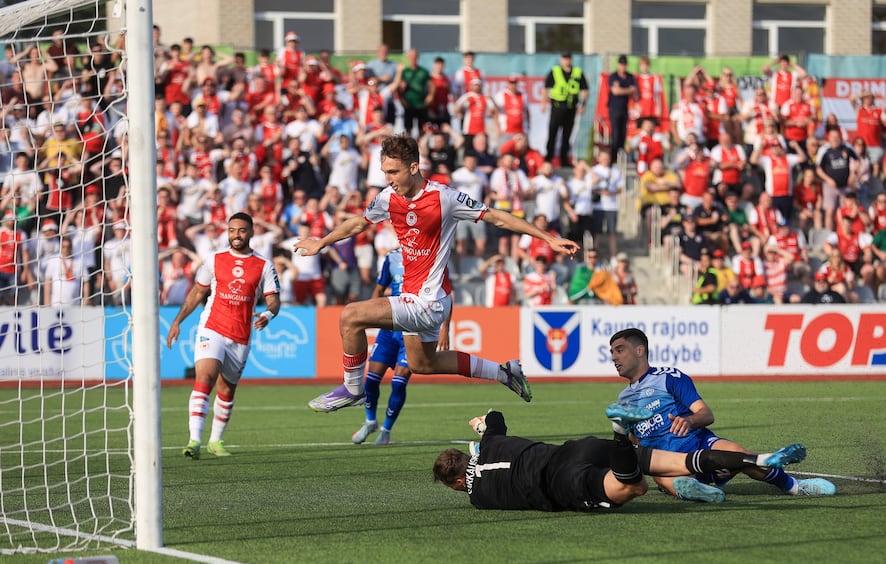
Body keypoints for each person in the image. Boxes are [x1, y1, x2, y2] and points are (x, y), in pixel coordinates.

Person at [294, 135, 579, 411]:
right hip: (417, 299)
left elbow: (496, 218)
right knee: (423, 364)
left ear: (414, 168)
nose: (388, 179)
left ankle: (354, 389)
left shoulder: (445, 197)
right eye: (385, 173)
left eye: (394, 172)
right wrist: (321, 242)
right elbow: (358, 223)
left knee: (350, 316)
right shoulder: (387, 198)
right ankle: (504, 372)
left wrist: (548, 238)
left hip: (427, 301)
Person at [606, 328, 835, 503]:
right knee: (667, 478)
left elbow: (706, 414)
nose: (614, 357)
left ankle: (794, 486)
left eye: (619, 350)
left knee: (740, 454)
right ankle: (701, 491)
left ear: (639, 350)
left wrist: (688, 421)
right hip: (669, 463)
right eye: (612, 352)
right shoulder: (623, 400)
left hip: (699, 446)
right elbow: (634, 444)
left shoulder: (669, 377)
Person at [434, 410, 808, 511]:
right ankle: (756, 458)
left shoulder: (477, 498)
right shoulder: (494, 444)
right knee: (675, 460)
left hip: (559, 484)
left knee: (635, 487)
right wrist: (483, 426)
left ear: (454, 483)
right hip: (572, 449)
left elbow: (476, 476)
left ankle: (620, 435)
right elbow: (496, 417)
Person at [166, 212, 281, 459]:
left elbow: (274, 300)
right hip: (213, 327)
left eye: (241, 230)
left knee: (227, 390)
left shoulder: (264, 265)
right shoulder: (214, 259)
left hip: (241, 334)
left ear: (250, 232)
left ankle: (215, 441)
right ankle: (194, 440)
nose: (235, 235)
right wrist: (177, 321)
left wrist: (268, 315)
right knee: (205, 377)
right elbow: (197, 293)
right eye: (231, 230)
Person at [351, 248, 448, 446]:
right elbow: (379, 288)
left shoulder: (432, 255)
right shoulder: (392, 257)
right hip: (389, 328)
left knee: (398, 382)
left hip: (413, 329)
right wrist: (370, 313)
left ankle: (386, 429)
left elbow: (447, 293)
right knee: (370, 380)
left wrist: (446, 328)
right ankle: (370, 421)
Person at [541, 52, 589, 168]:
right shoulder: (555, 71)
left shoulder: (577, 72)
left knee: (566, 136)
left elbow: (585, 89)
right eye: (564, 59)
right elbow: (546, 87)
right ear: (561, 60)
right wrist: (543, 103)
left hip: (571, 108)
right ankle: (549, 158)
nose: (566, 61)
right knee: (553, 133)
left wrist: (583, 104)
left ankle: (564, 160)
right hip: (557, 107)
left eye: (568, 59)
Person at [606, 55, 637, 159]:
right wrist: (628, 90)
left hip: (624, 109)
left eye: (624, 64)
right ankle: (613, 158)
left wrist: (623, 90)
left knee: (623, 134)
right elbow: (615, 91)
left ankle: (620, 157)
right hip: (614, 109)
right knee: (616, 133)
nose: (623, 67)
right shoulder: (613, 76)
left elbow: (635, 94)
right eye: (621, 64)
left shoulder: (629, 77)